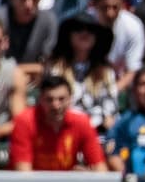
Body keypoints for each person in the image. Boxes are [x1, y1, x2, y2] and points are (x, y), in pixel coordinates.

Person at [9, 73, 108, 172]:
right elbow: (23, 173)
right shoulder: (25, 122)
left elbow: (100, 167)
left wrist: (86, 176)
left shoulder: (81, 122)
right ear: (41, 100)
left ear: (70, 99)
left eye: (61, 99)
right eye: (49, 100)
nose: (56, 105)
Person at [48, 12, 119, 145]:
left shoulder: (106, 73)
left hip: (98, 135)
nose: (84, 33)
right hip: (64, 134)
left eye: (90, 30)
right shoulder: (56, 70)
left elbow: (111, 112)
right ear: (69, 35)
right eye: (78, 29)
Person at [0, 0, 58, 78]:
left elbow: (47, 64)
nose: (29, 5)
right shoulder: (0, 18)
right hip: (2, 78)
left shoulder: (48, 21)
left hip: (36, 80)